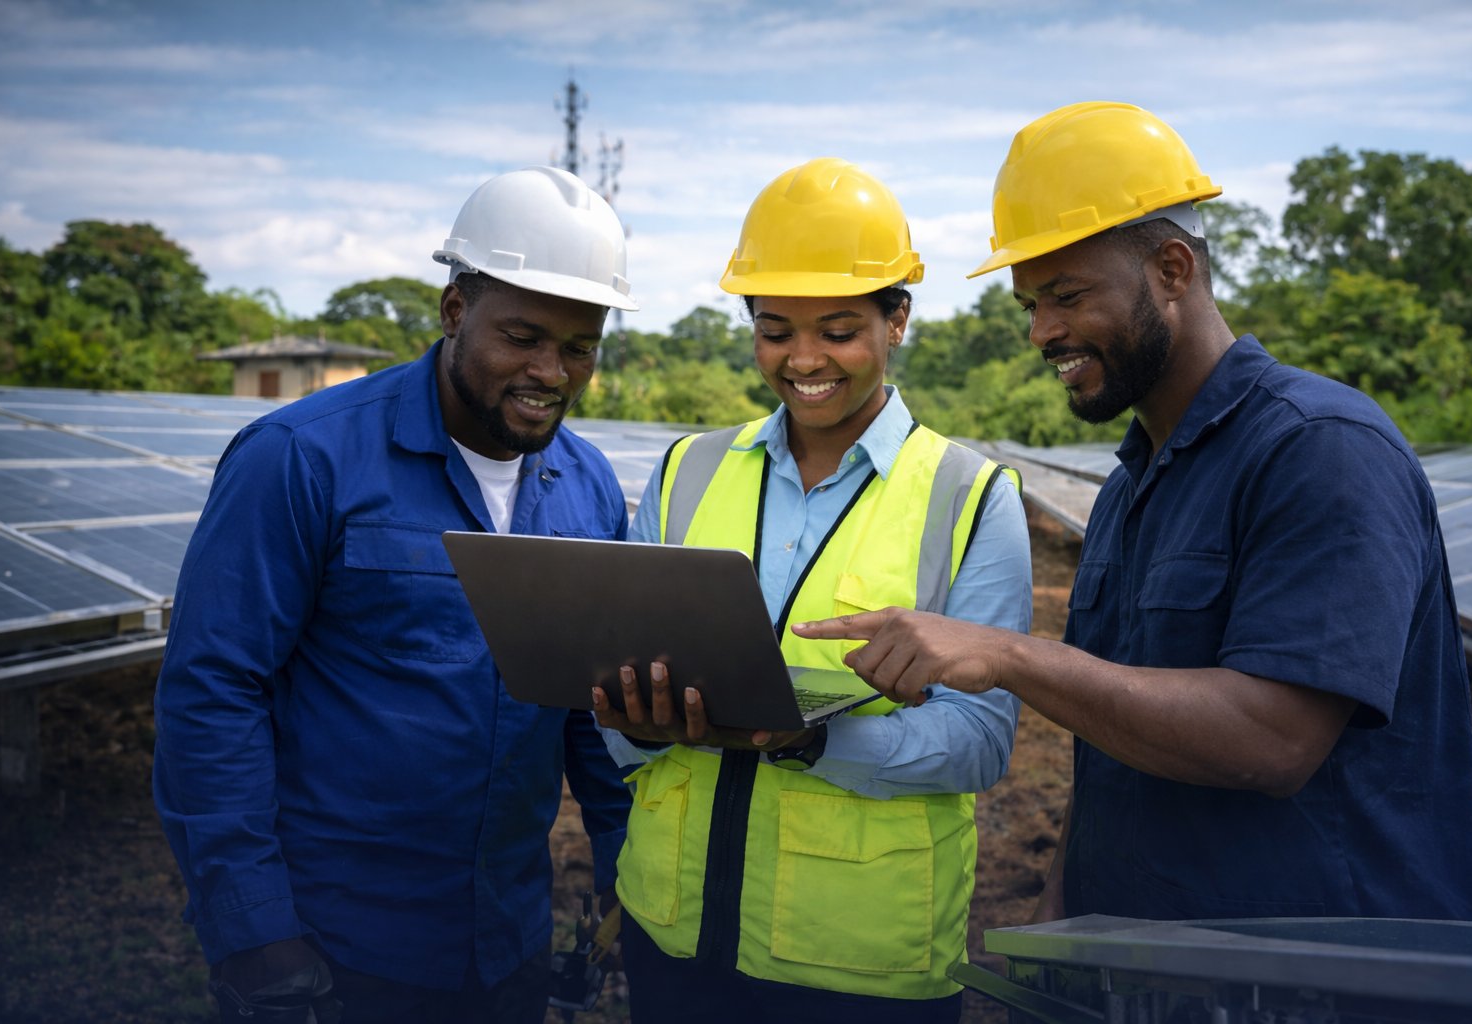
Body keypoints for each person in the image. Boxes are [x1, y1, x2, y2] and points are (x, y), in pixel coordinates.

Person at [794, 101, 1472, 923]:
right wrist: (1062, 916)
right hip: (1152, 970)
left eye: (1067, 296)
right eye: (1029, 306)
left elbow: (1273, 741)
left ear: (1171, 269)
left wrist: (1011, 655)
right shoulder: (1131, 485)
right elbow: (1113, 740)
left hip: (1320, 979)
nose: (1042, 331)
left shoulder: (1319, 449)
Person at [153, 166, 639, 1023]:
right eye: (522, 336)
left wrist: (623, 866)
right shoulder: (302, 458)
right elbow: (212, 692)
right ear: (455, 310)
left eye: (579, 348)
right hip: (333, 949)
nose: (550, 371)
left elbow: (588, 707)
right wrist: (253, 932)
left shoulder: (587, 485)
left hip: (508, 944)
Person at [594, 157, 1033, 1023]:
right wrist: (635, 723)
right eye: (773, 329)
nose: (802, 360)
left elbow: (981, 742)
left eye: (837, 330)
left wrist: (810, 744)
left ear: (897, 317)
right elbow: (620, 709)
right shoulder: (688, 470)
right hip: (671, 935)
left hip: (858, 966)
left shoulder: (970, 496)